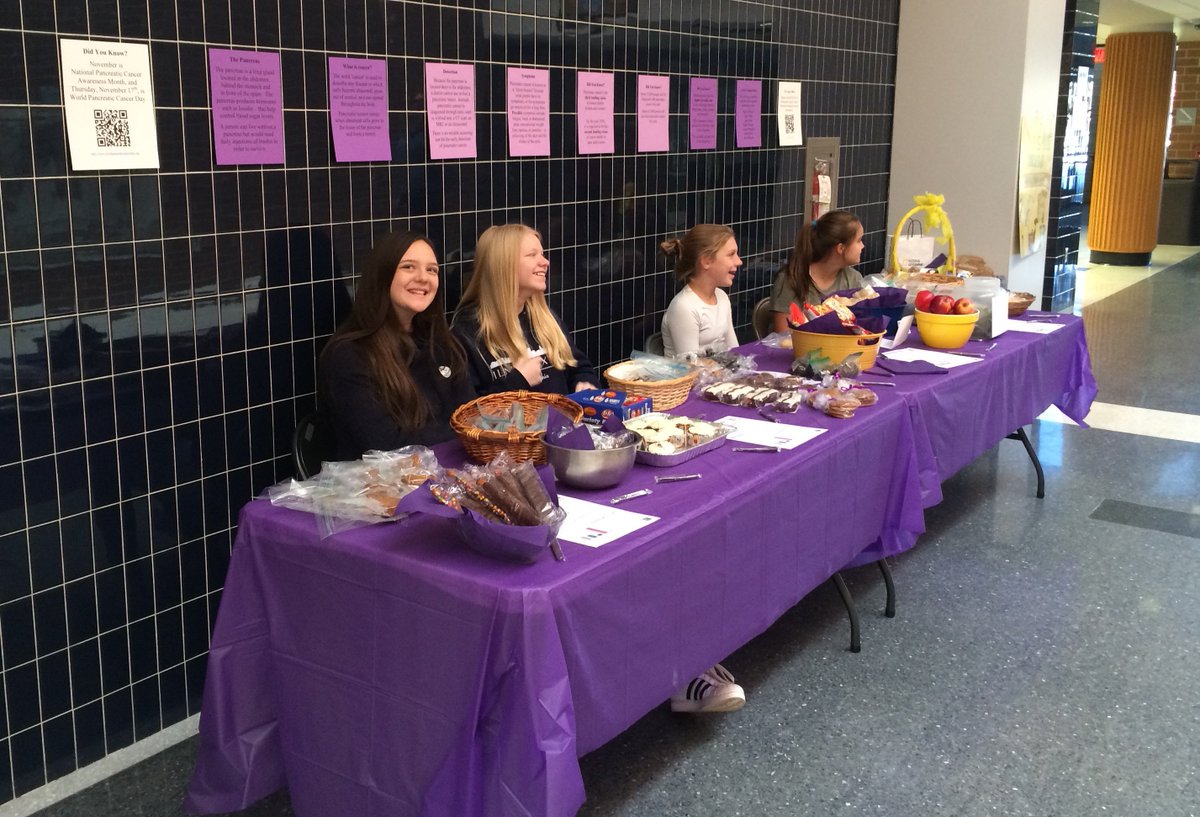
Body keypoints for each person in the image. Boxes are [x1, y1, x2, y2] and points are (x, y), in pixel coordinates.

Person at [318, 230, 474, 460]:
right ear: (382, 275)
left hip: (452, 475)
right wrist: (460, 434)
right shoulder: (349, 356)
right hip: (381, 489)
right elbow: (388, 446)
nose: (423, 277)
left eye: (432, 270)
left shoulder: (441, 344)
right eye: (409, 267)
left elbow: (472, 417)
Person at [453, 224, 599, 395]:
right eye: (532, 255)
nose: (545, 262)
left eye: (542, 254)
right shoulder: (466, 334)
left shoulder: (546, 318)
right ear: (503, 264)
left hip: (563, 420)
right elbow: (468, 411)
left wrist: (584, 383)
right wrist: (518, 380)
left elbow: (579, 367)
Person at [770, 210, 866, 334]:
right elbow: (783, 335)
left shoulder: (854, 278)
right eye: (859, 240)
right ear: (841, 248)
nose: (862, 246)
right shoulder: (791, 281)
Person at [659, 224, 742, 358]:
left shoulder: (722, 297)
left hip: (720, 376)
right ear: (706, 261)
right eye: (731, 254)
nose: (739, 261)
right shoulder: (684, 307)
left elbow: (735, 351)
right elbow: (690, 368)